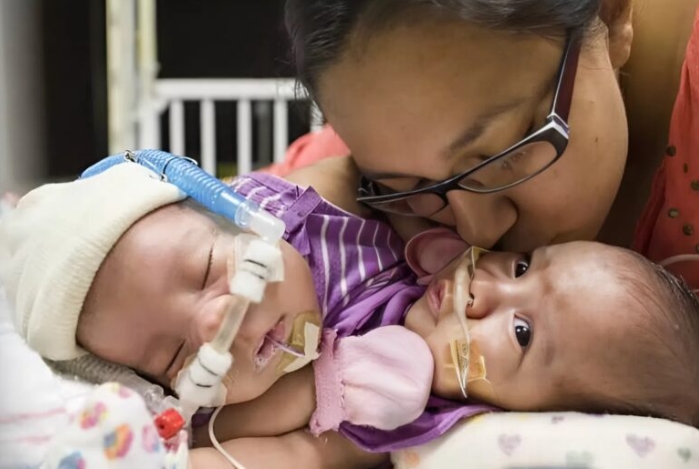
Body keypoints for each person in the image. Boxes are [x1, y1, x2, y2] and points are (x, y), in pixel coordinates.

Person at [2, 163, 698, 469]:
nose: (218, 323)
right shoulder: (342, 226)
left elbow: (297, 456)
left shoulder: (392, 406)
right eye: (520, 267)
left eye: (520, 333)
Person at [277, 0, 699, 289]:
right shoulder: (391, 146)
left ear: (611, 14)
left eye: (505, 156)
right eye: (410, 186)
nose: (477, 232)